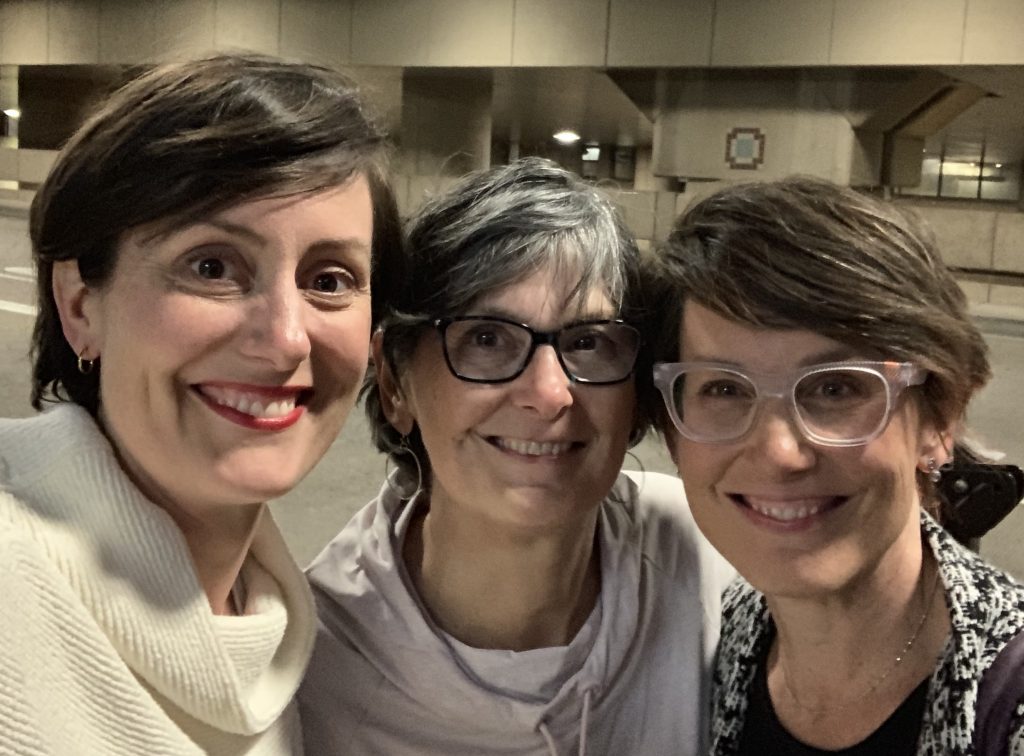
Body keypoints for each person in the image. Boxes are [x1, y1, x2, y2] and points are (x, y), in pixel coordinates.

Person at [0, 54, 399, 754]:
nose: (284, 339)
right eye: (211, 266)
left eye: (330, 280)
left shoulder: (285, 644)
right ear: (79, 304)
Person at [300, 157, 733, 755]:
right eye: (485, 339)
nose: (550, 393)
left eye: (589, 344)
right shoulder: (312, 671)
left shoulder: (709, 555)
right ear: (396, 382)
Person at [648, 176, 1024, 754]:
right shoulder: (720, 643)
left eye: (835, 388)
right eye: (724, 389)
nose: (779, 452)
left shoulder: (1007, 698)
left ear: (940, 418)